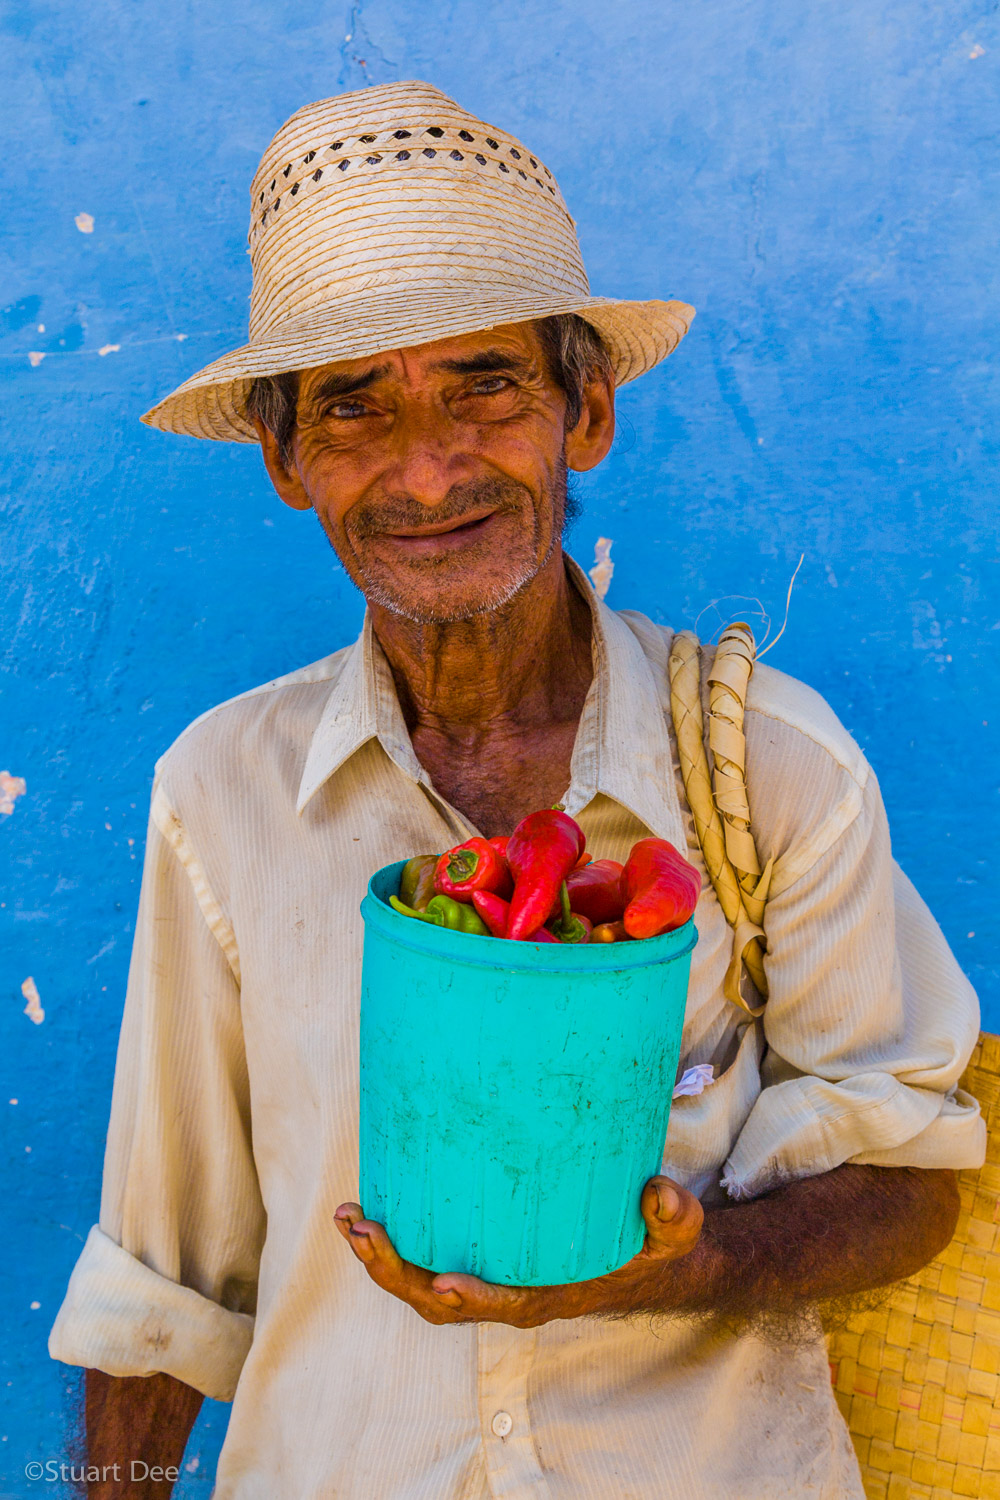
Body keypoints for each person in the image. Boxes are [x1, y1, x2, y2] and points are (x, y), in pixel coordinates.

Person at [49, 80, 985, 1500]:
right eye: (353, 404)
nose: (425, 469)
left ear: (585, 413)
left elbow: (911, 1177)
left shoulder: (770, 765)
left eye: (485, 382)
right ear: (290, 461)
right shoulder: (224, 789)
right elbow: (164, 1284)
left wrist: (689, 1263)